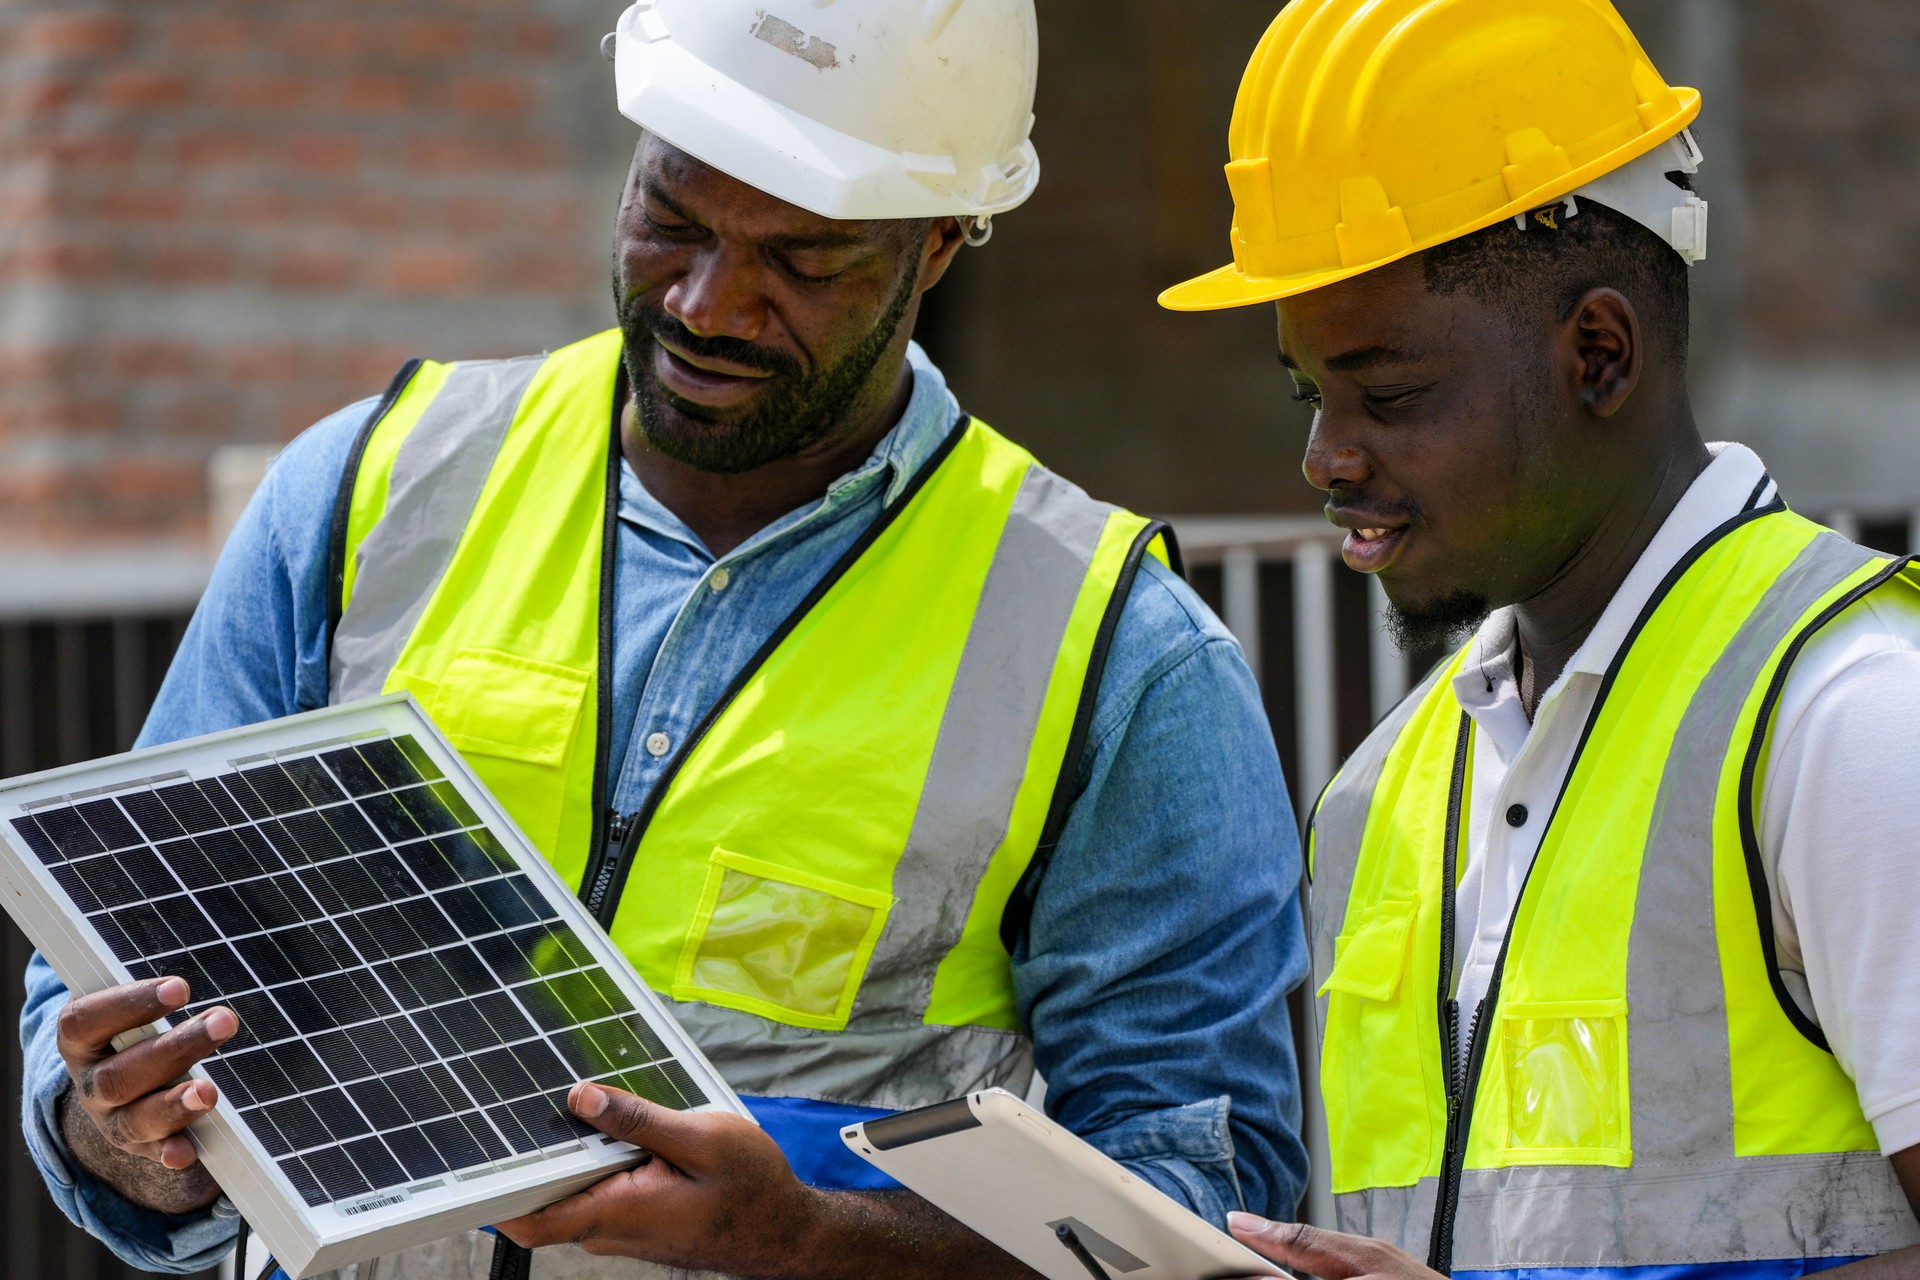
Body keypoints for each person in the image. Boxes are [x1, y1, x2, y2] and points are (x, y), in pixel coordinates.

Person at [18, 2, 1310, 1277]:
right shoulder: (366, 497)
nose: (709, 304)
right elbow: (99, 1020)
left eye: (803, 261)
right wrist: (127, 1131)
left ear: (940, 245)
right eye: (671, 220)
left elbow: (1197, 1222)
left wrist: (806, 1241)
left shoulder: (1113, 651)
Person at [1156, 1, 1920, 1278]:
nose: (1326, 455)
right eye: (1313, 394)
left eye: (1389, 396)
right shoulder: (1374, 800)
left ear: (1600, 354)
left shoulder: (1846, 718)